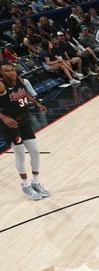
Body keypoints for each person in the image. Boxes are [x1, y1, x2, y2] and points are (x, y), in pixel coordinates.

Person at [0, 62, 49, 200]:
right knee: (20, 155)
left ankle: (35, 182)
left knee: (34, 152)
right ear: (2, 74)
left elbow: (23, 92)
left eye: (12, 70)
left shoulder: (19, 79)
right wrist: (3, 117)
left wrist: (36, 103)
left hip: (24, 120)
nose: (11, 73)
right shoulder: (2, 85)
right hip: (11, 124)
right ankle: (25, 184)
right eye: (7, 71)